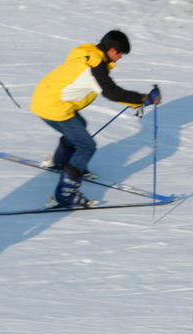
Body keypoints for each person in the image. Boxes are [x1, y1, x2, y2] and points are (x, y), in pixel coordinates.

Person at [30, 29, 161, 208]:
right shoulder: (95, 67)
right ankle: (66, 194)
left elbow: (107, 90)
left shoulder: (88, 54)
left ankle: (62, 163)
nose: (120, 58)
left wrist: (138, 102)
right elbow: (112, 93)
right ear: (113, 51)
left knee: (80, 126)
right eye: (121, 54)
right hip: (54, 106)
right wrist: (143, 99)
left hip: (43, 98)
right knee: (86, 145)